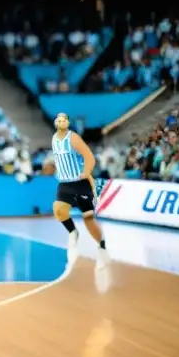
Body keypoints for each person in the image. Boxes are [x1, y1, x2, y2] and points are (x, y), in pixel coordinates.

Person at [51, 112, 109, 269]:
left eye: (64, 120)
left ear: (67, 123)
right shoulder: (54, 139)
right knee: (58, 210)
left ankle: (102, 245)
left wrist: (86, 171)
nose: (61, 122)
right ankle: (73, 232)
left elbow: (89, 156)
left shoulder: (73, 138)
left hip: (80, 182)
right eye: (59, 119)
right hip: (65, 183)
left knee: (88, 219)